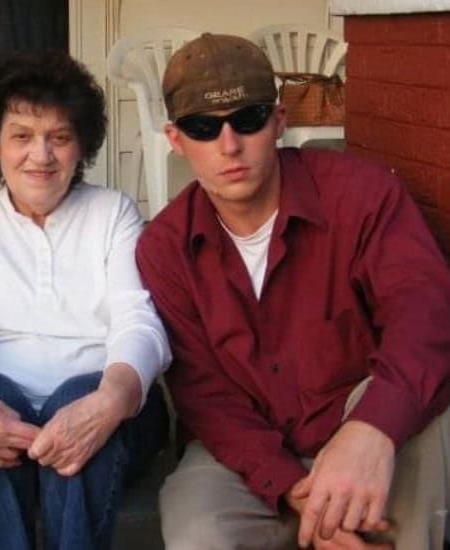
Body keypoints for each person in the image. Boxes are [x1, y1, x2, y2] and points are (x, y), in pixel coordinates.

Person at [136, 32, 450, 549]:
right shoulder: (165, 248)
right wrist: (296, 492)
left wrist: (371, 430)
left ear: (279, 121)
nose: (229, 144)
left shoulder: (362, 196)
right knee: (197, 530)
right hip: (250, 454)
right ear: (176, 139)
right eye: (203, 128)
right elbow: (206, 397)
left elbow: (425, 314)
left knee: (420, 407)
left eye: (249, 119)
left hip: (358, 423)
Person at [0, 51, 171, 550]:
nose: (41, 155)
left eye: (60, 137)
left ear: (82, 146)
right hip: (2, 424)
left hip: (109, 415)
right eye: (22, 136)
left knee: (79, 396)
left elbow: (138, 321)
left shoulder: (112, 213)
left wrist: (108, 402)